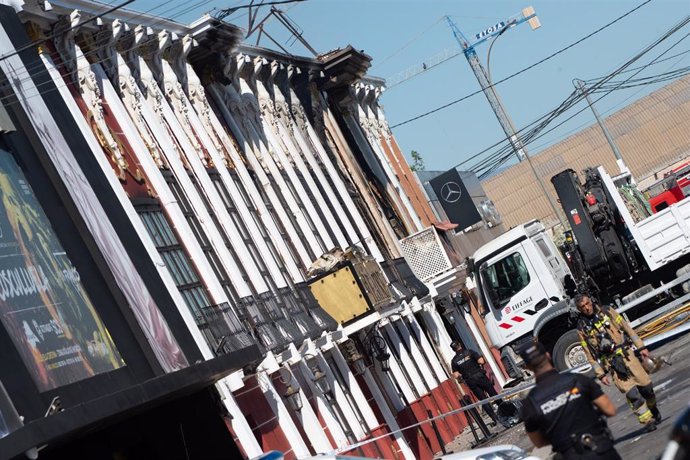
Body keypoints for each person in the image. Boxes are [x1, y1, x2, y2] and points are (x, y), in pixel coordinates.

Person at [519, 341, 621, 460]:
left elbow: (538, 442)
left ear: (528, 367)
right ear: (548, 355)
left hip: (571, 455)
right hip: (602, 450)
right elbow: (610, 410)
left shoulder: (530, 403)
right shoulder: (578, 380)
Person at [574, 294, 661, 430]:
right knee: (632, 394)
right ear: (579, 309)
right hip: (613, 364)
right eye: (582, 307)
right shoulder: (581, 328)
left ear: (591, 301)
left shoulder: (607, 311)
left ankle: (653, 408)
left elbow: (627, 328)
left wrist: (641, 346)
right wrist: (600, 374)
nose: (586, 308)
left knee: (646, 387)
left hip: (628, 356)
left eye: (587, 304)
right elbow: (589, 354)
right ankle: (647, 421)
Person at [450, 341, 501, 426]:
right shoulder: (469, 352)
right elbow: (481, 361)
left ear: (453, 350)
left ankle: (495, 419)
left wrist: (461, 373)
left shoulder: (454, 361)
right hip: (480, 376)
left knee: (483, 400)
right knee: (493, 394)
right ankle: (506, 410)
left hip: (471, 381)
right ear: (460, 345)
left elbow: (455, 375)